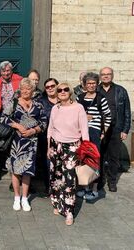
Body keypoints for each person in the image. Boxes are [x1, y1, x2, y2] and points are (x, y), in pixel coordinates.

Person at [1, 78, 47, 212]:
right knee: (15, 170)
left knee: (27, 170)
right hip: (17, 141)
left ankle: (25, 198)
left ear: (33, 90)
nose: (25, 91)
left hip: (32, 142)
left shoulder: (38, 105)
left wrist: (34, 130)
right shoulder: (14, 102)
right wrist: (18, 126)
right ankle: (16, 197)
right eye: (23, 88)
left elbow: (44, 122)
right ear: (20, 89)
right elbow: (3, 118)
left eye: (28, 88)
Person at [47, 82, 89, 225]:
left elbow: (84, 130)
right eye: (59, 90)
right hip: (55, 145)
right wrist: (48, 147)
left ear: (70, 92)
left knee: (69, 178)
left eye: (65, 89)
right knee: (56, 176)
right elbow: (50, 128)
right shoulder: (55, 108)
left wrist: (86, 148)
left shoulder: (78, 108)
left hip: (72, 146)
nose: (62, 92)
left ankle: (69, 211)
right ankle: (58, 204)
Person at [76, 72, 112, 200]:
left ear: (97, 84)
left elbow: (108, 116)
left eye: (93, 83)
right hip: (81, 133)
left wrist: (103, 132)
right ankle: (85, 187)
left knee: (94, 160)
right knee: (83, 159)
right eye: (88, 83)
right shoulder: (79, 98)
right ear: (84, 85)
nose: (91, 85)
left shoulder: (100, 98)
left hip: (95, 132)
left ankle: (94, 189)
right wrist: (83, 117)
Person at [98, 67, 131, 192]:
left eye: (108, 74)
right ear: (100, 76)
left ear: (112, 75)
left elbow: (127, 111)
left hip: (116, 129)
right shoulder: (96, 90)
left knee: (114, 158)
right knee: (99, 156)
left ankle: (112, 181)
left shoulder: (121, 91)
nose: (106, 76)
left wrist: (125, 129)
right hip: (99, 130)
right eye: (103, 74)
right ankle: (100, 180)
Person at [38, 77, 59, 197]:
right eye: (47, 87)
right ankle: (49, 187)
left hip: (63, 137)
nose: (50, 88)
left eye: (52, 86)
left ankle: (60, 186)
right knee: (47, 163)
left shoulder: (64, 99)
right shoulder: (41, 102)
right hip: (46, 137)